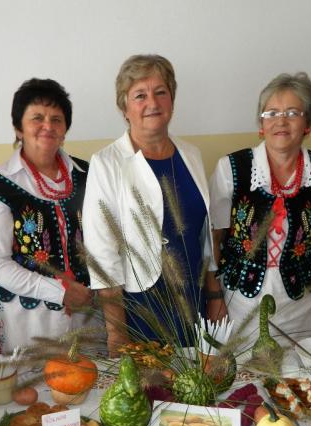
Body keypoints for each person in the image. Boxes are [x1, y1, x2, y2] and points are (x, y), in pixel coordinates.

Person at [82, 54, 215, 354]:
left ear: (172, 100)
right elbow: (103, 255)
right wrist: (117, 334)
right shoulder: (107, 163)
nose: (152, 102)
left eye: (160, 92)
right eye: (140, 95)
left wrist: (215, 297)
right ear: (124, 108)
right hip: (142, 307)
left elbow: (204, 235)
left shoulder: (191, 155)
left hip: (194, 299)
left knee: (197, 378)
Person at [208, 72, 311, 347]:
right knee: (239, 370)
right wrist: (214, 297)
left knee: (298, 371)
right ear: (261, 124)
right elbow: (213, 240)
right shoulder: (231, 169)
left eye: (292, 113)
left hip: (302, 306)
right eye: (271, 113)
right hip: (238, 303)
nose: (281, 121)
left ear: (308, 123)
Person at [0, 78, 96, 353]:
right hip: (29, 320)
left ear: (65, 129)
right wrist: (59, 291)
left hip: (89, 314)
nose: (48, 126)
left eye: (56, 119)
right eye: (37, 118)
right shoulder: (1, 183)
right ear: (18, 128)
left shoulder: (88, 174)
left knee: (93, 377)